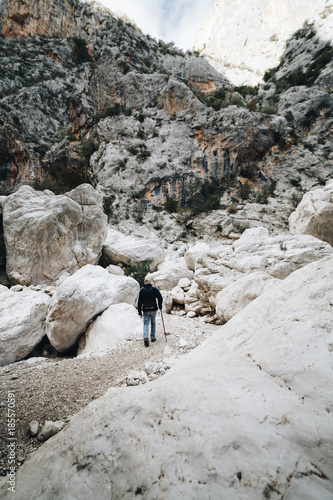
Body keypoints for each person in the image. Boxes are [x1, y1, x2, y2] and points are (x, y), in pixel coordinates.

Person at [138, 279, 163, 347]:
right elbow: (160, 297)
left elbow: (139, 301)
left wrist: (139, 311)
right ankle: (152, 337)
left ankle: (146, 337)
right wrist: (160, 305)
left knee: (146, 323)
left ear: (144, 283)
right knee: (153, 322)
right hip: (153, 308)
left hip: (146, 309)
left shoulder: (142, 290)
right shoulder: (154, 289)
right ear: (150, 282)